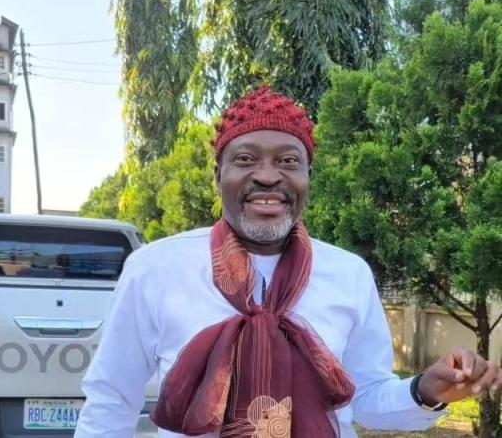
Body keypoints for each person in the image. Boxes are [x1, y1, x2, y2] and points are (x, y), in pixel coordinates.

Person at [74, 86, 502, 438]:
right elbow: (112, 401)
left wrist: (424, 391)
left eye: (288, 161)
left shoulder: (348, 274)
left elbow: (365, 400)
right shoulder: (156, 269)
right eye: (245, 159)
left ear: (307, 177)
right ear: (218, 175)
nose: (267, 176)